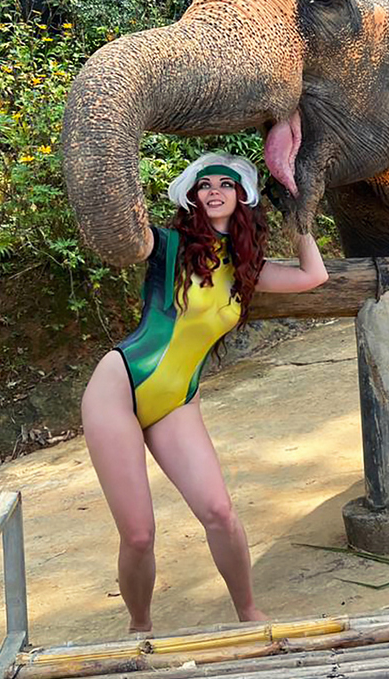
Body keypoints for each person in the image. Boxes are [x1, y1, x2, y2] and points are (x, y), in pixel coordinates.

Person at [81, 151, 329, 632]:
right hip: (119, 389)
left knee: (219, 511)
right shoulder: (167, 246)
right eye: (204, 185)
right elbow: (125, 232)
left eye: (226, 184)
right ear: (192, 197)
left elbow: (312, 276)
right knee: (138, 535)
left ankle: (249, 612)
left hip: (177, 400)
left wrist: (299, 219)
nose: (214, 190)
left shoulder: (245, 268)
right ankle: (141, 628)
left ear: (242, 197)